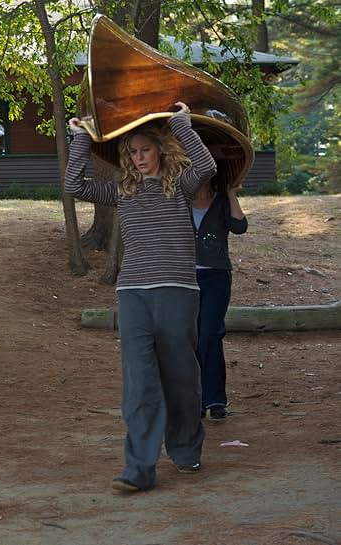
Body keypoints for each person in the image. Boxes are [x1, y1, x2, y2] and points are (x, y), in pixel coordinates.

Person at [64, 102, 217, 492]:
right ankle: (139, 467)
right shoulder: (121, 190)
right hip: (133, 293)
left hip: (177, 291)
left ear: (159, 150)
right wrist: (80, 138)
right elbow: (74, 186)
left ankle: (184, 448)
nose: (138, 157)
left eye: (144, 150)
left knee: (181, 378)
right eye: (132, 152)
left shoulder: (180, 184)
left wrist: (182, 124)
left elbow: (207, 167)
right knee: (139, 380)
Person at [192, 180, 247, 420]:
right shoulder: (178, 202)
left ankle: (215, 400)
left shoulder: (222, 202)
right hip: (184, 278)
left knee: (210, 334)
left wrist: (231, 193)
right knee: (191, 336)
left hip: (216, 276)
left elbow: (239, 227)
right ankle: (196, 399)